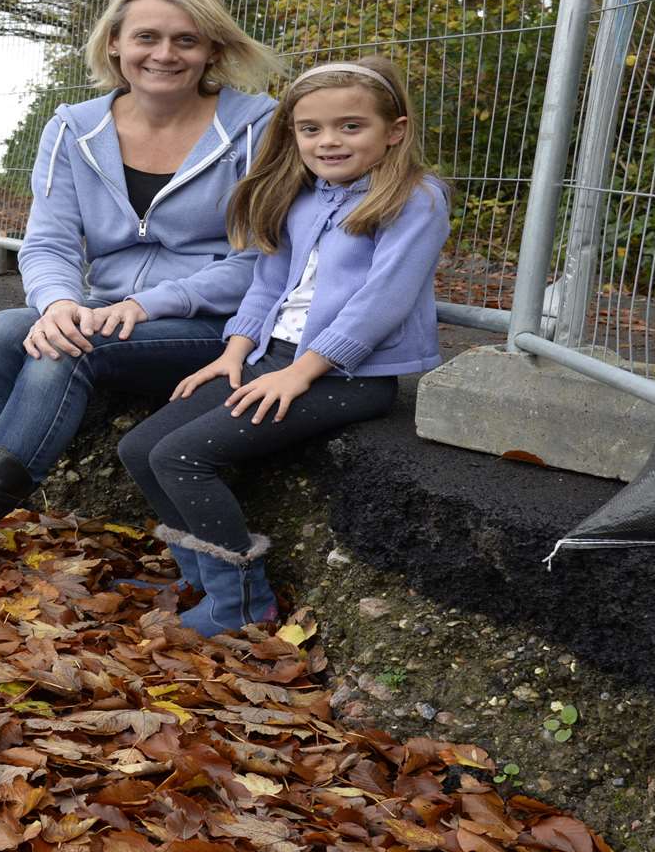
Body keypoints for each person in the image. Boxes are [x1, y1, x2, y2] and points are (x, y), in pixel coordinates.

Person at [0, 0, 280, 607]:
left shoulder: (258, 126)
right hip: (104, 309)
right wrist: (58, 304)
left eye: (186, 40)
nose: (164, 54)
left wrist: (141, 304)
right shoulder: (74, 127)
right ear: (114, 44)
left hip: (212, 325)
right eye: (146, 37)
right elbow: (48, 242)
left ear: (214, 49)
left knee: (66, 355)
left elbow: (263, 259)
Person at [116, 57, 450, 636]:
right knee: (142, 447)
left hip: (349, 376)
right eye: (311, 128)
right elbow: (269, 284)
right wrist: (233, 353)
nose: (329, 141)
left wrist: (302, 372)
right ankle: (200, 575)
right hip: (274, 356)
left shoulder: (415, 199)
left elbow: (382, 300)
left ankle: (243, 600)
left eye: (351, 126)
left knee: (183, 456)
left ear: (394, 130)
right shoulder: (300, 196)